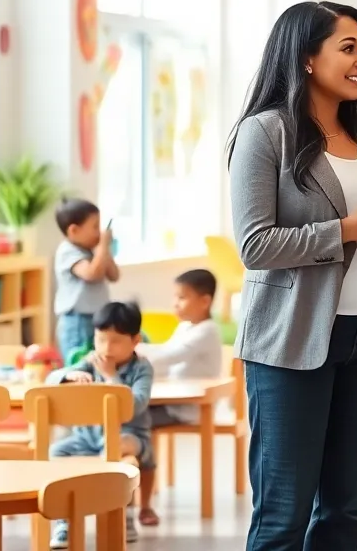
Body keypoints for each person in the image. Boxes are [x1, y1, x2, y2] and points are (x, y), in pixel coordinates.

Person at [229, 1, 357, 550]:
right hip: (292, 340)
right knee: (283, 516)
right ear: (307, 58)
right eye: (348, 48)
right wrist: (343, 231)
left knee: (345, 510)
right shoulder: (264, 132)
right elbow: (255, 245)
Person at [46, 300, 152, 546]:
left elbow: (134, 405)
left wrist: (109, 376)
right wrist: (68, 375)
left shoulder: (142, 368)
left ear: (135, 341)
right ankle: (64, 521)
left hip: (130, 435)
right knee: (56, 451)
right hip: (87, 437)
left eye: (115, 341)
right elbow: (51, 378)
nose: (106, 347)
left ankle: (123, 516)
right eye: (101, 339)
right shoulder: (91, 360)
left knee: (117, 447)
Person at [135, 268, 224, 527]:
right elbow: (166, 352)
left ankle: (138, 491)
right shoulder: (185, 327)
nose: (175, 303)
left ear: (204, 301)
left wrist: (133, 351)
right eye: (175, 297)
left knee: (136, 420)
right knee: (133, 414)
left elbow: (170, 357)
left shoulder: (207, 330)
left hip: (189, 408)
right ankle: (135, 488)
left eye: (182, 297)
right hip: (172, 401)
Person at [53, 198, 120, 362]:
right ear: (74, 231)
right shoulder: (68, 251)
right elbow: (92, 274)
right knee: (78, 363)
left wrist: (104, 250)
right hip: (77, 321)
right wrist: (102, 246)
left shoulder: (92, 251)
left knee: (96, 363)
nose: (99, 233)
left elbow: (114, 275)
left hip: (97, 318)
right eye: (95, 227)